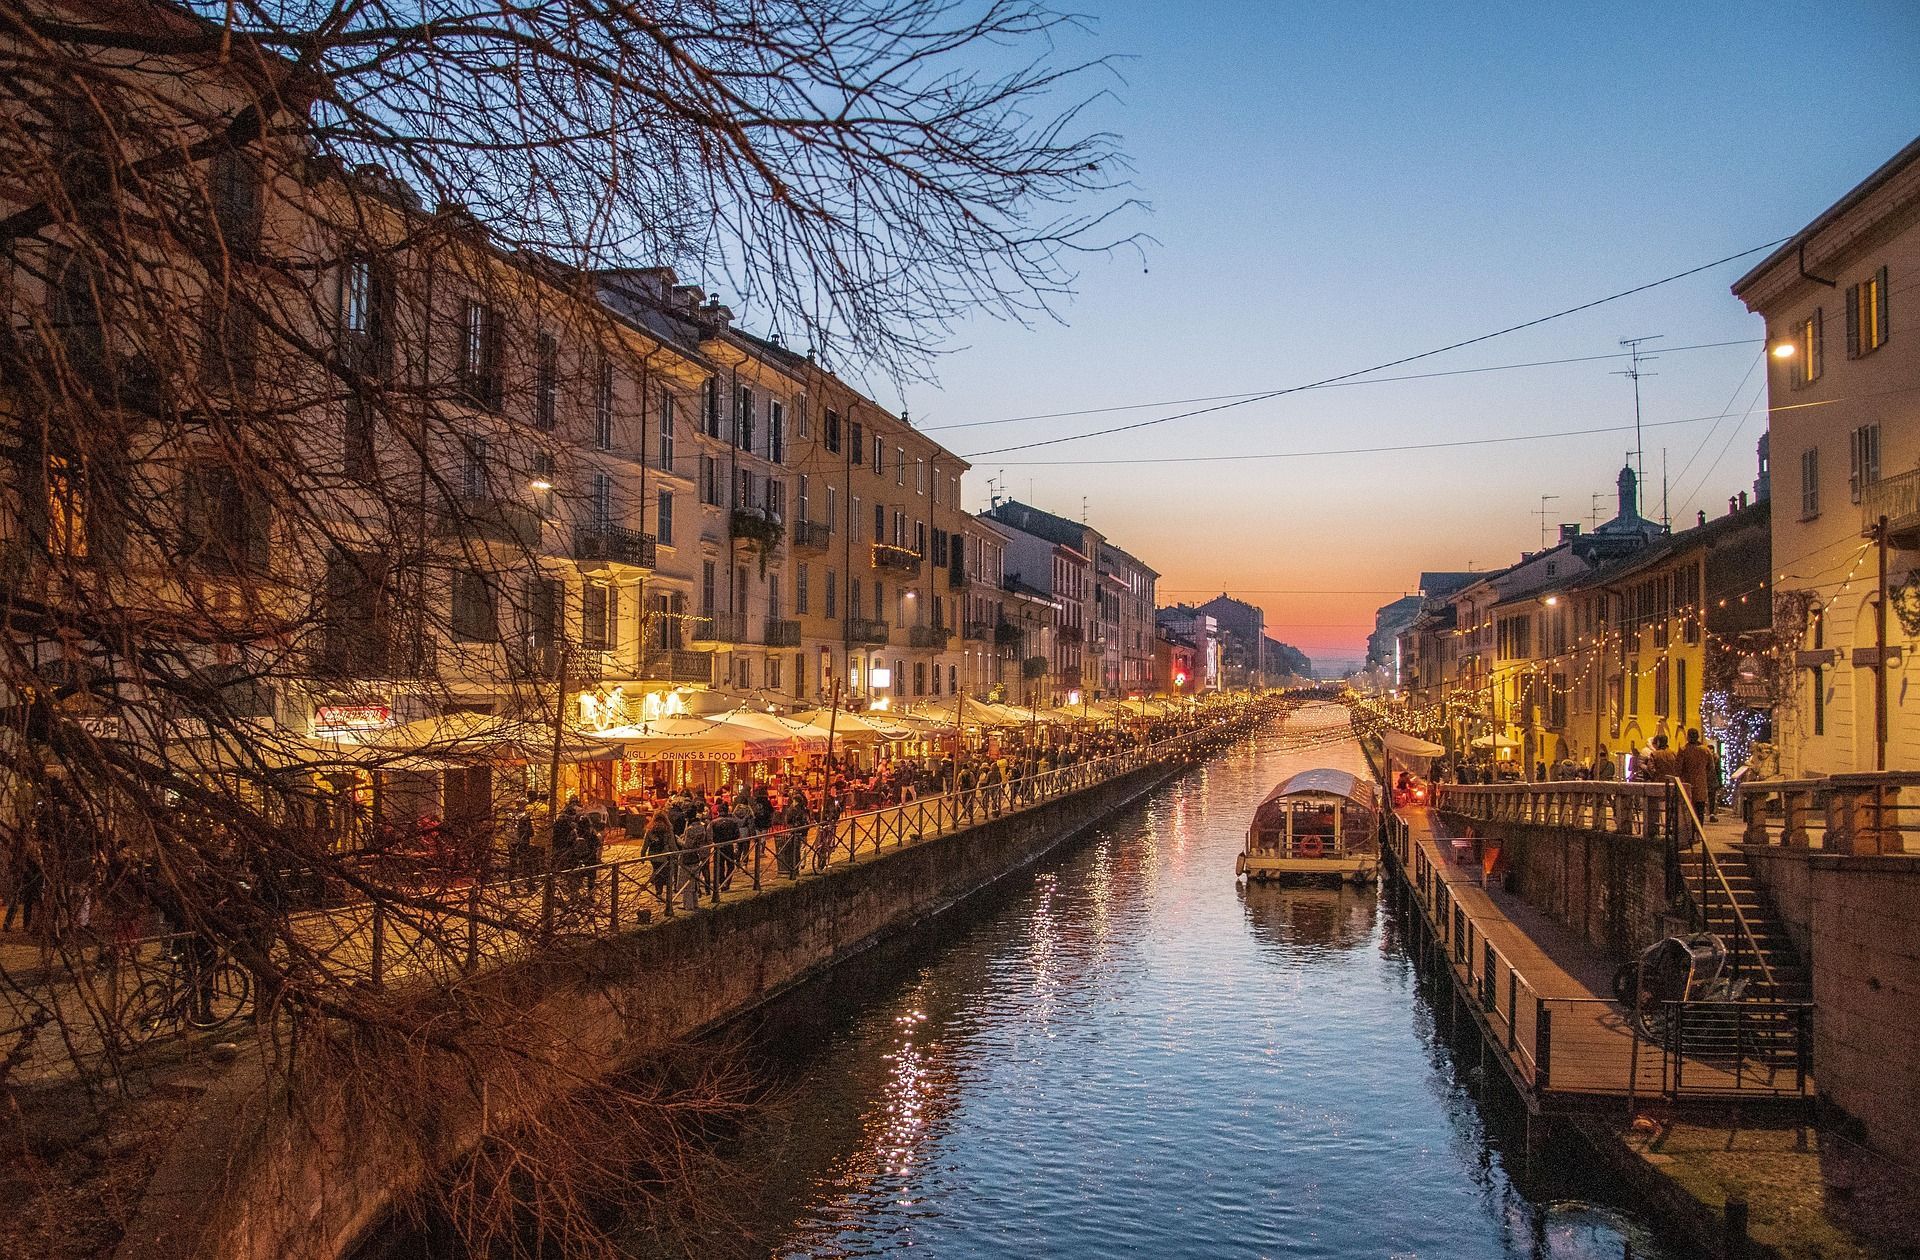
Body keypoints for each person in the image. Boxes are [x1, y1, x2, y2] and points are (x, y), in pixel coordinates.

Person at [1677, 728, 1715, 822]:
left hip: (1687, 784)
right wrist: (1704, 775)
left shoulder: (1683, 750)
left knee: (1688, 811)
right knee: (1700, 811)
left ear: (1688, 737)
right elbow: (1711, 767)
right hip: (1701, 785)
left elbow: (1678, 768)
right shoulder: (1705, 750)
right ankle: (1699, 831)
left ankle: (1690, 833)